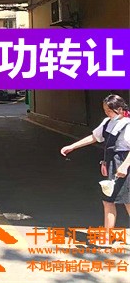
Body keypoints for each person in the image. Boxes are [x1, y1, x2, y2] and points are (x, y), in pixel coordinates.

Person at [61, 94, 130, 245]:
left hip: (124, 163)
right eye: (105, 110)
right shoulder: (107, 122)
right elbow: (94, 137)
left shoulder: (127, 124)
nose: (107, 113)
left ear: (119, 109)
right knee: (108, 200)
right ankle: (107, 237)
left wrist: (124, 166)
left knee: (127, 201)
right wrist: (72, 146)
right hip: (111, 163)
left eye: (109, 110)